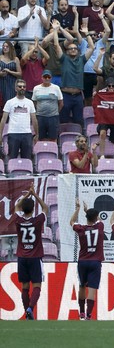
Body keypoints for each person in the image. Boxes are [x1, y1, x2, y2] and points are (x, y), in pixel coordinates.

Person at [13, 185, 48, 320]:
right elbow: (45, 208)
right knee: (37, 285)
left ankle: (27, 314)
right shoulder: (38, 220)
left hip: (22, 257)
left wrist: (27, 194)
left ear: (23, 209)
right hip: (35, 257)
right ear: (33, 209)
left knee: (25, 286)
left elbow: (16, 207)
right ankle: (30, 309)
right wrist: (35, 195)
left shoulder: (18, 220)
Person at [70, 197, 104, 321]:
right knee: (92, 289)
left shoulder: (81, 228)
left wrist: (78, 208)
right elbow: (98, 220)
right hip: (95, 262)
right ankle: (89, 315)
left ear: (87, 218)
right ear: (96, 218)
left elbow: (71, 221)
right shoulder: (100, 226)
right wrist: (87, 211)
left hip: (83, 261)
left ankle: (82, 313)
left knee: (82, 286)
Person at [0, 79, 38, 158]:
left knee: (27, 159)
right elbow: (3, 120)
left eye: (24, 87)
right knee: (12, 158)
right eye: (20, 86)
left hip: (27, 134)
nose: (22, 88)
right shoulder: (10, 102)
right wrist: (0, 135)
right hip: (13, 134)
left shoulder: (30, 102)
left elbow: (34, 119)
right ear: (15, 88)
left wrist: (37, 134)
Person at [31, 69, 62, 141]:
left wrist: (56, 112)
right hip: (40, 117)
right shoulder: (36, 88)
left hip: (53, 117)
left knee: (53, 138)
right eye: (45, 77)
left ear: (51, 78)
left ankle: (53, 151)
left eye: (49, 77)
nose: (47, 79)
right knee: (39, 137)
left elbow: (61, 103)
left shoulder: (56, 88)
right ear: (42, 78)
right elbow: (34, 102)